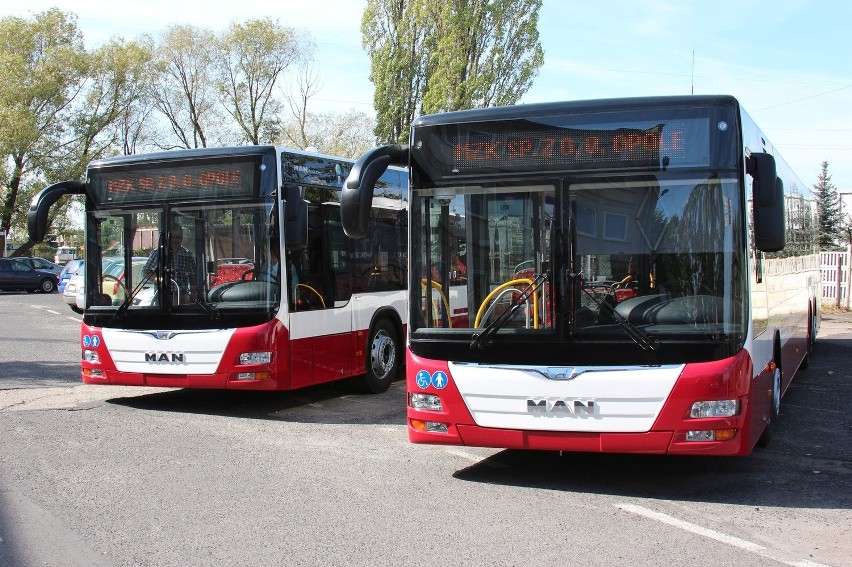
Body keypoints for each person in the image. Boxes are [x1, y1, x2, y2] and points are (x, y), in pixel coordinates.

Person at [143, 223, 196, 298]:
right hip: (162, 297)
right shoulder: (158, 253)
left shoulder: (187, 255)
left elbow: (192, 276)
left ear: (182, 238)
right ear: (167, 237)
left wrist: (193, 294)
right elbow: (146, 273)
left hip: (182, 297)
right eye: (172, 237)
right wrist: (162, 280)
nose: (175, 240)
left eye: (178, 237)